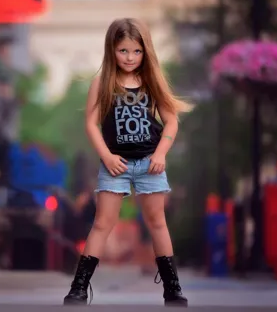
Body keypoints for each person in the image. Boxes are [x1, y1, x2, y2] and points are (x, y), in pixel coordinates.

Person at [62, 18, 192, 307]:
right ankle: (79, 287)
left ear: (145, 51)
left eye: (136, 51)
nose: (130, 58)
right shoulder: (102, 83)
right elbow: (92, 124)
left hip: (149, 163)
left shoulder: (151, 81)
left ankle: (172, 288)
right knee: (102, 224)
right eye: (123, 51)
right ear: (112, 50)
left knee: (157, 223)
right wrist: (106, 156)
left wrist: (160, 154)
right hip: (115, 165)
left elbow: (171, 122)